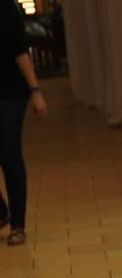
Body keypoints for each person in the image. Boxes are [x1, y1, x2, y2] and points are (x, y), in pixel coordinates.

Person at [0, 0, 47, 245]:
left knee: (9, 154)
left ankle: (18, 224)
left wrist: (35, 90)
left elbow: (19, 50)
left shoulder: (5, 7)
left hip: (9, 91)